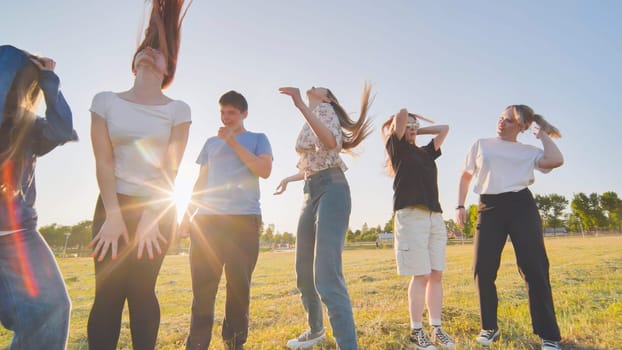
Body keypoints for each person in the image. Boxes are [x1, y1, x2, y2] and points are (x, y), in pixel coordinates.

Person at [87, 1, 192, 349]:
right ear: (133, 64)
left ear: (169, 67)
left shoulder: (178, 110)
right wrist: (115, 216)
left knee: (141, 289)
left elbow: (170, 166)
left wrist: (149, 217)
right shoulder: (105, 101)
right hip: (113, 205)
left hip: (156, 210)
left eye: (158, 51)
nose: (149, 52)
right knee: (108, 292)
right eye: (144, 49)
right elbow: (103, 163)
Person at [456, 105, 564, 350]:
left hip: (521, 205)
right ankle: (489, 328)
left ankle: (549, 335)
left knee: (534, 268)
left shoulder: (529, 151)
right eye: (501, 118)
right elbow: (465, 175)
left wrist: (542, 134)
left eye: (508, 121)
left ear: (522, 127)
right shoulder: (481, 144)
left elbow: (556, 160)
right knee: (482, 269)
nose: (501, 123)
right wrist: (460, 205)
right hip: (488, 206)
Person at [275, 84, 372, 350]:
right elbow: (314, 162)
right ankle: (316, 330)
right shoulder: (314, 116)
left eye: (320, 87)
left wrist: (300, 105)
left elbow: (330, 144)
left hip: (332, 189)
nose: (313, 85)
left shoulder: (324, 110)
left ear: (327, 97)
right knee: (303, 270)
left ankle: (348, 346)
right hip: (311, 189)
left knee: (327, 274)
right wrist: (288, 178)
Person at [180, 90, 273, 350]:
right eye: (222, 112)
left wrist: (233, 143)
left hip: (243, 222)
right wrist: (186, 216)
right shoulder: (210, 143)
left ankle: (234, 342)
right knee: (203, 291)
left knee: (239, 288)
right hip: (207, 222)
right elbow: (200, 182)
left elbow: (264, 171)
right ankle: (197, 344)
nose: (226, 117)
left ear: (244, 114)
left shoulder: (258, 139)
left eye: (232, 112)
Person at [0, 45, 75, 349]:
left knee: (54, 308)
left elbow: (61, 129)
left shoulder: (29, 127)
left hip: (20, 236)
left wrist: (49, 80)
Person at [382, 108, 453, 350]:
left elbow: (444, 129)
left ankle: (436, 327)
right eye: (408, 125)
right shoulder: (396, 148)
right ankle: (416, 331)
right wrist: (403, 124)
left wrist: (417, 129)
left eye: (415, 124)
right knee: (420, 275)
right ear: (397, 129)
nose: (411, 127)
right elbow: (400, 113)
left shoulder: (425, 152)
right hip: (411, 215)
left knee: (436, 274)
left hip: (435, 216)